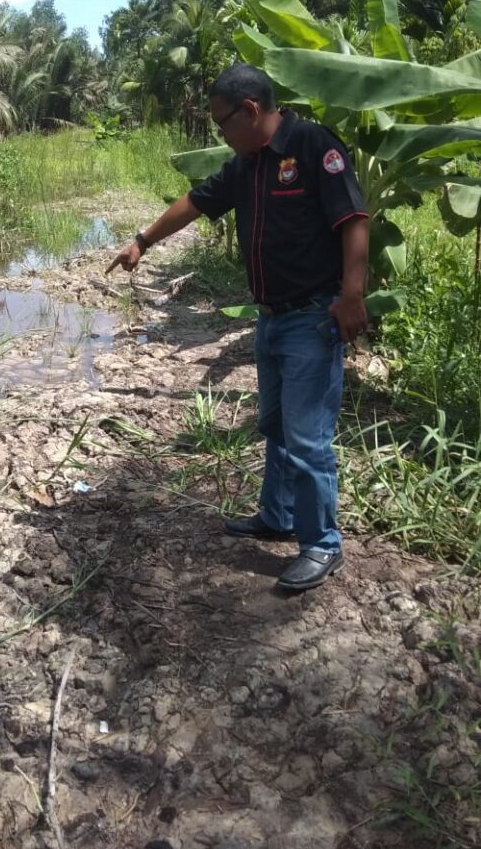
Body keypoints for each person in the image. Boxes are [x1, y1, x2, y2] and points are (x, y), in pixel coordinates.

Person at [106, 62, 369, 591]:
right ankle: (277, 515)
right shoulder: (246, 165)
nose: (220, 135)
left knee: (307, 438)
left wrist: (352, 295)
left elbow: (353, 218)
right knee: (274, 426)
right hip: (270, 321)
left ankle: (321, 545)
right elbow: (194, 203)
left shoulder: (313, 145)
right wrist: (142, 241)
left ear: (250, 110)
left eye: (221, 123)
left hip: (312, 318)